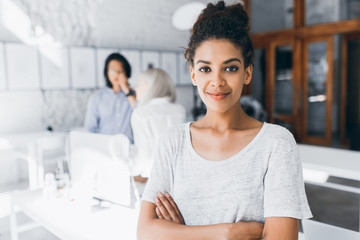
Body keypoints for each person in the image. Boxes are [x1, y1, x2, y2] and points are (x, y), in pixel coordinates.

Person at [137, 1, 312, 240]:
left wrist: (180, 233)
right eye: (205, 69)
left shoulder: (276, 145)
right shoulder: (174, 141)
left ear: (247, 73)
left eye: (230, 68)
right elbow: (145, 233)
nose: (217, 81)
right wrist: (226, 232)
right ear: (193, 75)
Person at [131, 68, 186, 194]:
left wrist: (130, 172)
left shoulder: (140, 114)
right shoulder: (179, 110)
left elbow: (143, 157)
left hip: (153, 183)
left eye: (140, 84)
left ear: (151, 87)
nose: (136, 88)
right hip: (178, 180)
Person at [85, 53, 136, 143]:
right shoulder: (96, 98)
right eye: (112, 70)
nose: (116, 74)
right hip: (105, 147)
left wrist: (127, 90)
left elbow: (140, 114)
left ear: (126, 73)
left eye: (120, 70)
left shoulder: (133, 95)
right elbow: (90, 129)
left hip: (129, 146)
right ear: (107, 72)